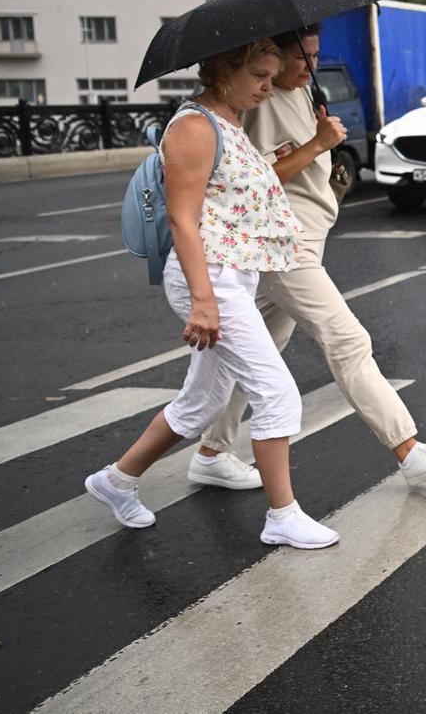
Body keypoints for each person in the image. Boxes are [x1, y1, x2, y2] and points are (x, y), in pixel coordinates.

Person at [185, 24, 426, 492]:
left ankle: (212, 452)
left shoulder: (299, 91)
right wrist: (315, 146)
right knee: (347, 340)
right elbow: (244, 186)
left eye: (316, 56)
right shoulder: (254, 103)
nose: (310, 67)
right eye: (302, 58)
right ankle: (408, 449)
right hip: (279, 245)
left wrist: (323, 150)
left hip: (306, 236)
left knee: (254, 355)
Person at [85, 39, 338, 549]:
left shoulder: (231, 121)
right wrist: (203, 301)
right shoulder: (195, 127)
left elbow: (239, 194)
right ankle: (282, 515)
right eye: (260, 76)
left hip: (234, 277)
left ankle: (115, 480)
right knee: (277, 394)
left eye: (272, 75)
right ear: (224, 71)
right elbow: (183, 217)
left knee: (202, 403)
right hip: (211, 279)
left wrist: (309, 147)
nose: (270, 85)